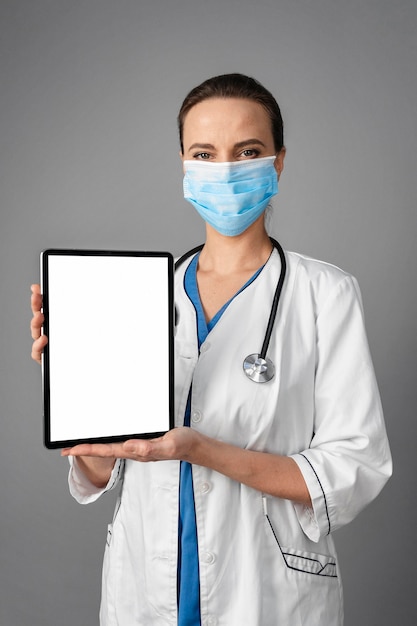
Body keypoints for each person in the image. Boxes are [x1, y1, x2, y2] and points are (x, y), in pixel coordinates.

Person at [31, 73, 392, 626]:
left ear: (279, 161)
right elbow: (103, 469)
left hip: (266, 592)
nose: (224, 169)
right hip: (145, 587)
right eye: (204, 153)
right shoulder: (135, 297)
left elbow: (353, 466)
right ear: (183, 164)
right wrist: (76, 384)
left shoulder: (325, 294)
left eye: (247, 151)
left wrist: (202, 450)